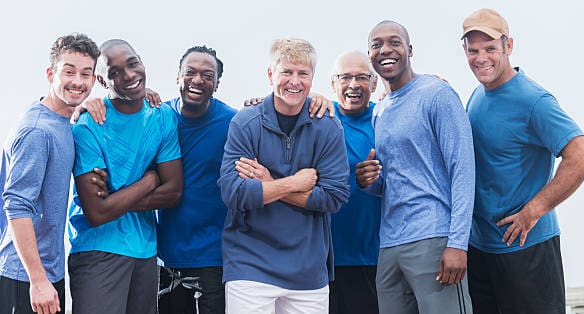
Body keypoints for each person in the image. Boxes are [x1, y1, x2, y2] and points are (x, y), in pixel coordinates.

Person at [461, 8, 584, 313]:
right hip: (482, 249)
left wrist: (534, 210)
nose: (481, 58)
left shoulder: (534, 100)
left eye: (490, 49)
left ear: (508, 46)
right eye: (473, 50)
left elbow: (579, 155)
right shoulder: (476, 96)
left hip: (527, 249)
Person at [218, 38, 350, 313]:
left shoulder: (327, 127)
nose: (295, 81)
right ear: (270, 75)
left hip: (308, 270)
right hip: (249, 265)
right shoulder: (246, 123)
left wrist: (268, 186)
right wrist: (295, 183)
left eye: (303, 74)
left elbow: (334, 197)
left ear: (312, 78)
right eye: (286, 72)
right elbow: (234, 193)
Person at [356, 20, 474, 313]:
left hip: (434, 238)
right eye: (376, 44)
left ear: (409, 50)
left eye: (394, 42)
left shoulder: (437, 94)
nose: (385, 49)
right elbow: (394, 179)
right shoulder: (380, 110)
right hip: (390, 246)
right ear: (369, 55)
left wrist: (458, 243)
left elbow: (463, 168)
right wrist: (370, 181)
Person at [67, 39, 183, 314]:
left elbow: (175, 192)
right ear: (102, 81)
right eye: (115, 72)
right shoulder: (88, 126)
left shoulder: (162, 116)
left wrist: (113, 201)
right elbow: (96, 213)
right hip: (98, 250)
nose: (128, 75)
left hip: (146, 252)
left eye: (132, 64)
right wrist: (149, 181)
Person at [0, 33, 100, 314]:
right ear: (50, 73)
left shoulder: (62, 120)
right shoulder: (36, 131)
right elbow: (17, 206)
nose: (77, 82)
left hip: (50, 272)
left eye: (86, 73)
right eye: (68, 72)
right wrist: (38, 279)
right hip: (24, 276)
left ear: (94, 79)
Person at [156, 45, 236, 314]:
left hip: (214, 257)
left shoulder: (233, 123)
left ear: (217, 83)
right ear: (178, 77)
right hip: (163, 255)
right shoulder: (159, 117)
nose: (198, 80)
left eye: (208, 75)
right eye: (190, 72)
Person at [328, 51, 381, 314]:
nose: (353, 84)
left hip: (372, 257)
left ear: (374, 83)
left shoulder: (385, 118)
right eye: (345, 77)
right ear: (332, 83)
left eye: (362, 77)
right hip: (321, 259)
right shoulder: (318, 117)